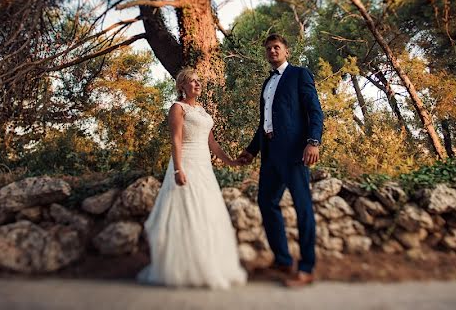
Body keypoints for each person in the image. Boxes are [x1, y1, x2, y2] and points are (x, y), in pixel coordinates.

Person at [138, 68, 247, 289]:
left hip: (204, 167)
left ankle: (207, 264)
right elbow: (176, 140)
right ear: (182, 87)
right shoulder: (178, 108)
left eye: (198, 81)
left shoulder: (203, 111)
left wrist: (231, 161)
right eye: (192, 82)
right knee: (185, 211)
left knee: (206, 213)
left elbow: (212, 144)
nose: (197, 84)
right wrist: (178, 170)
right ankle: (181, 269)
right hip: (186, 162)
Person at [237, 33, 324, 287]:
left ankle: (306, 267)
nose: (272, 51)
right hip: (270, 154)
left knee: (302, 207)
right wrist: (252, 150)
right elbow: (264, 123)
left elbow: (314, 111)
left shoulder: (299, 74)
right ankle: (283, 259)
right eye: (269, 49)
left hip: (295, 153)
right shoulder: (267, 84)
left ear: (286, 51)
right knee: (266, 201)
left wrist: (313, 141)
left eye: (276, 47)